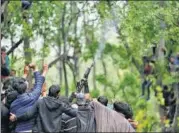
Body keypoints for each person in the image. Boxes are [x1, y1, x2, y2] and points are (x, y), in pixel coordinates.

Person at [10, 85, 77, 133]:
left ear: (49, 92)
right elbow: (74, 113)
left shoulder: (40, 102)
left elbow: (28, 114)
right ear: (58, 94)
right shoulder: (61, 105)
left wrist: (16, 117)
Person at [9, 63, 48, 132]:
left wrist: (25, 74)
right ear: (26, 87)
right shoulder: (32, 97)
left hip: (19, 130)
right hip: (31, 129)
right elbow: (39, 84)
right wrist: (36, 69)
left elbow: (16, 86)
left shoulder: (12, 105)